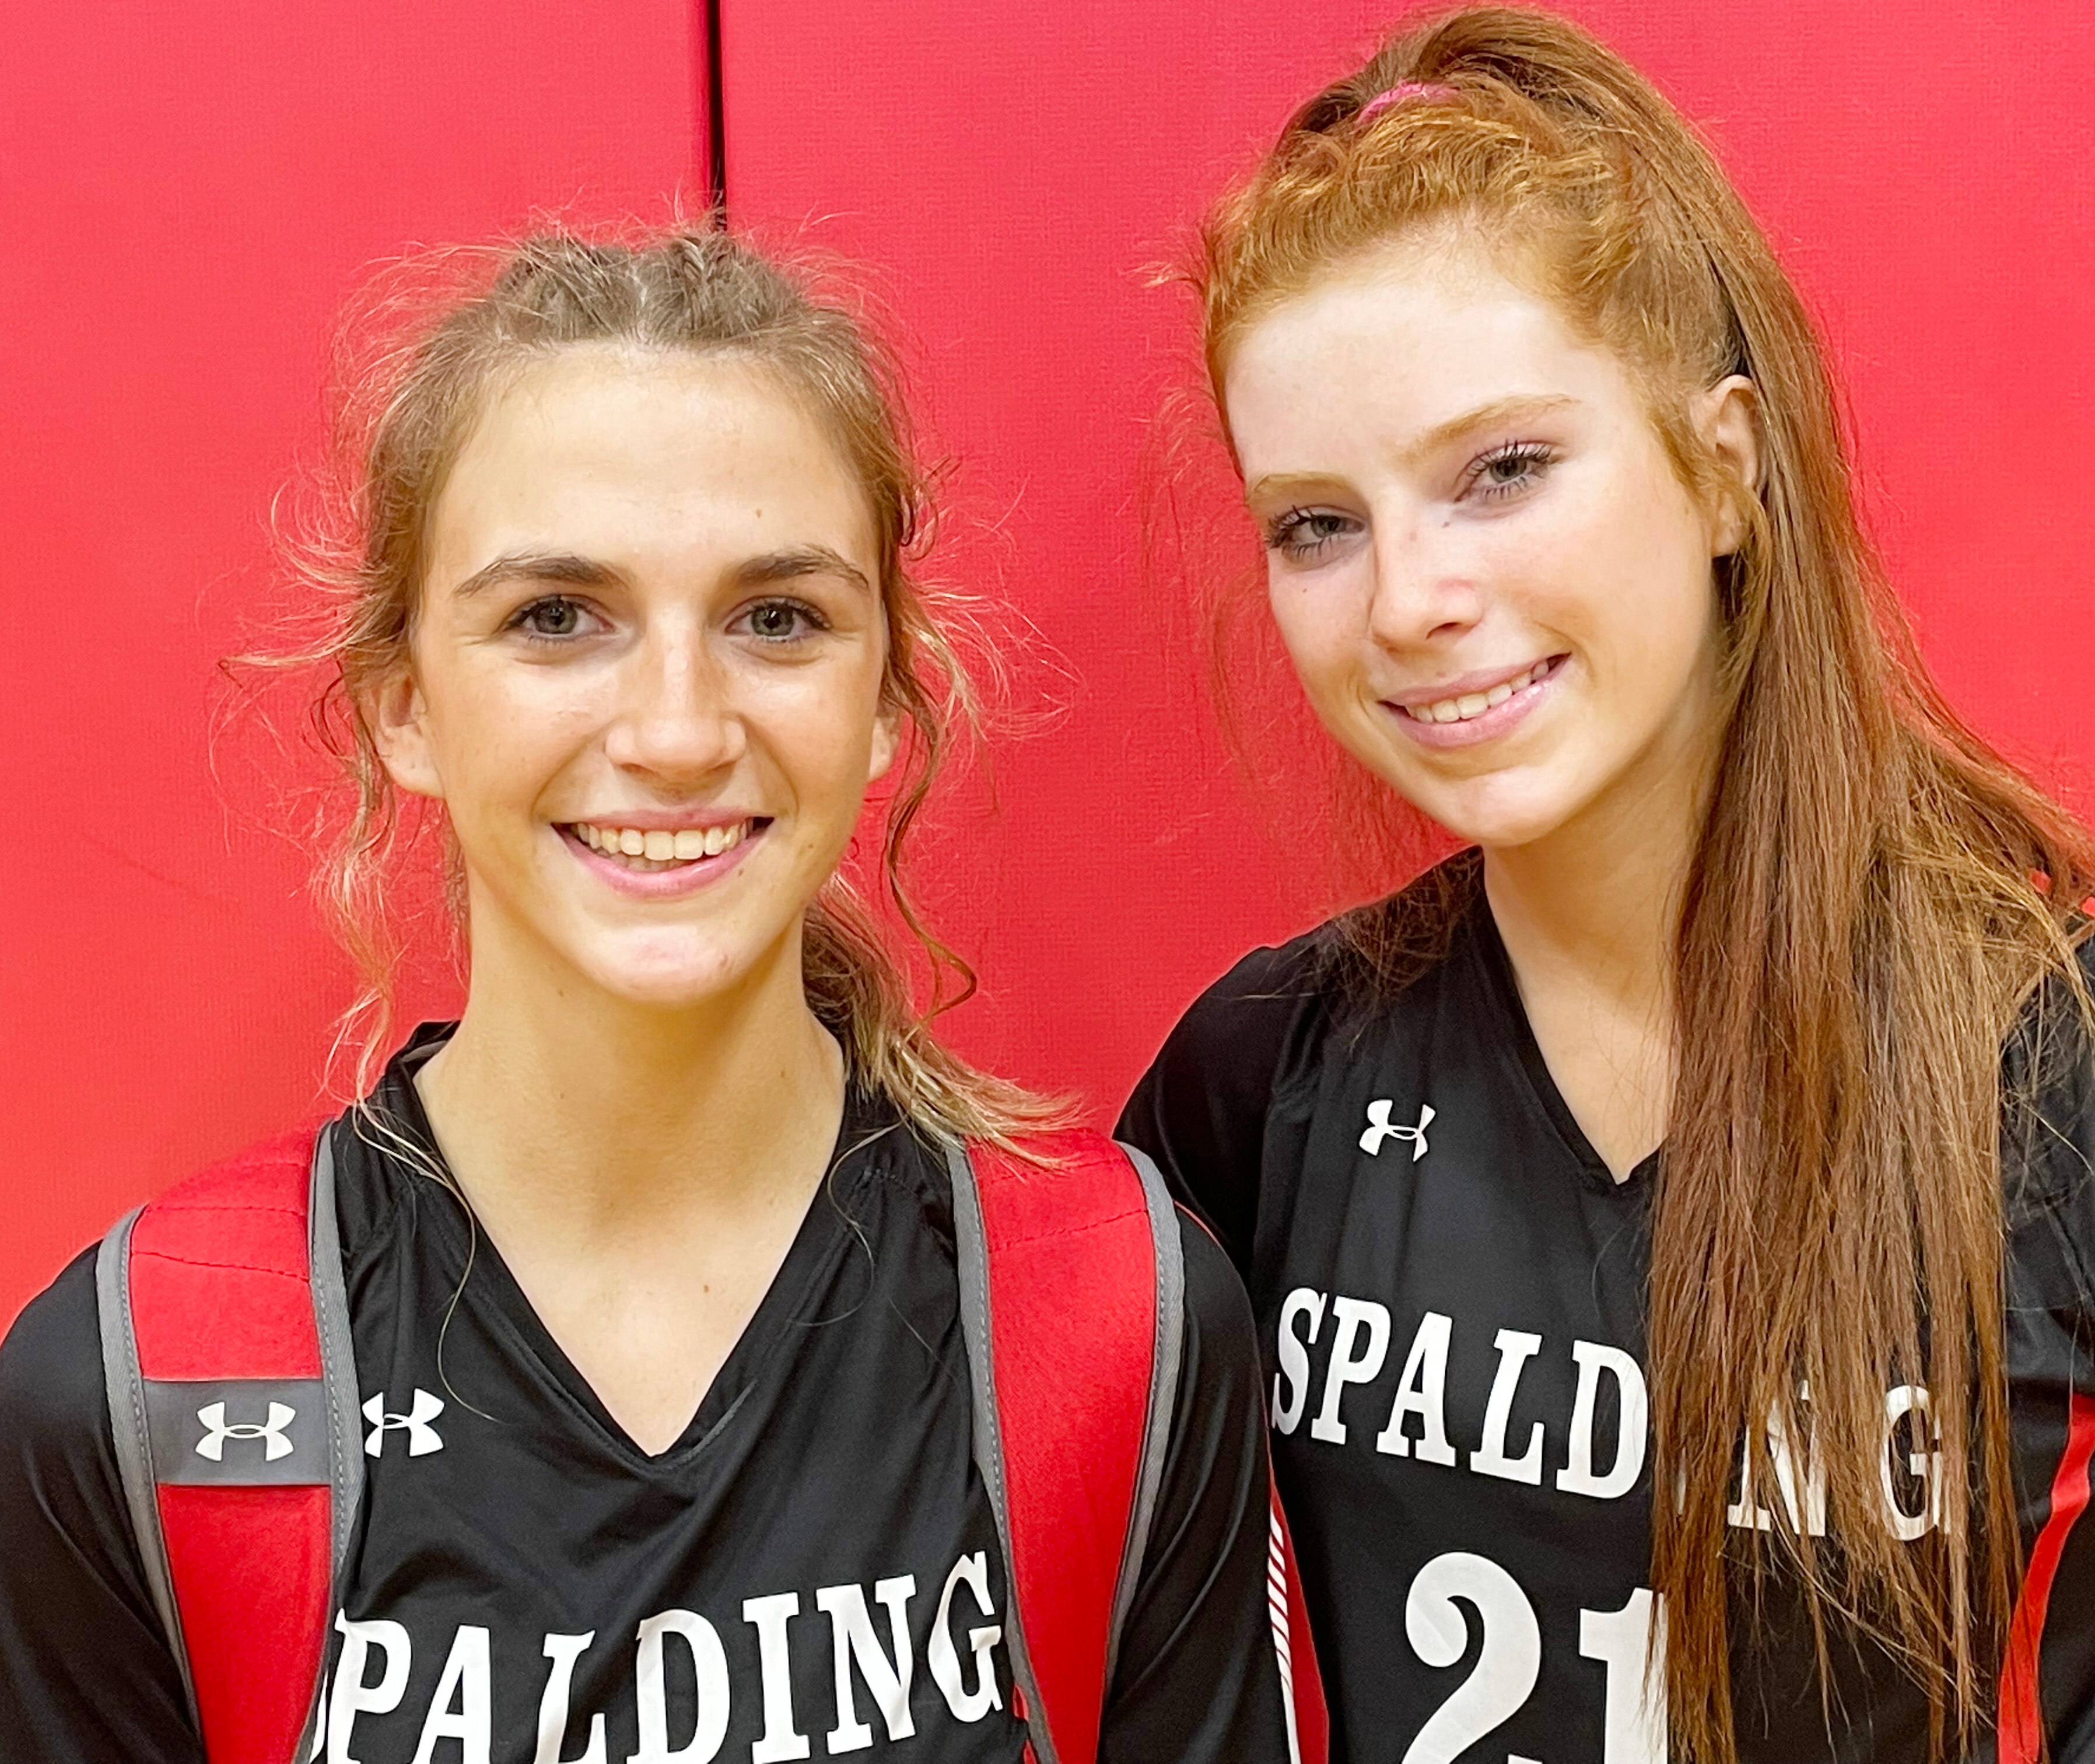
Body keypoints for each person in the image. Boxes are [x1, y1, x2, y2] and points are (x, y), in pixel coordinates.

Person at [0, 229, 1293, 1764]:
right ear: (403, 704)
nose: (678, 730)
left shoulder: (1119, 1321)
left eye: (776, 619)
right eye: (556, 618)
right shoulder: (142, 1386)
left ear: (887, 698)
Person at [1119, 9, 2095, 1762]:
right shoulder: (1254, 1086)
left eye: (1502, 470)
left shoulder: (2058, 1068)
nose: (1407, 598)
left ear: (1722, 466)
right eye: (1317, 525)